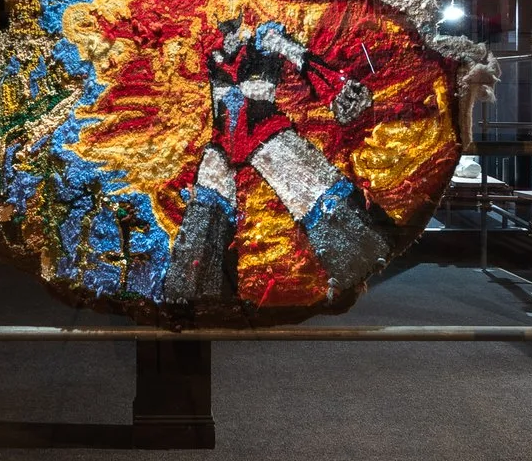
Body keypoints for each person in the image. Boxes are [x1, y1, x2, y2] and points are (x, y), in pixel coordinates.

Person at [162, 16, 388, 306]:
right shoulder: (213, 56)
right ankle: (196, 294)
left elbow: (298, 56)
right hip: (225, 141)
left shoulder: (264, 41)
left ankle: (359, 258)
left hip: (266, 133)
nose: (226, 19)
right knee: (207, 207)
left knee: (306, 189)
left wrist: (335, 88)